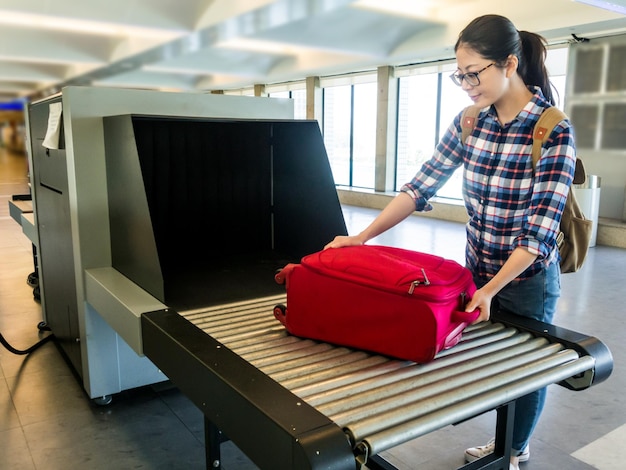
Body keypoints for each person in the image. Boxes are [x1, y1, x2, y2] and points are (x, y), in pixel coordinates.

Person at [324, 14, 577, 470]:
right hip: (476, 270)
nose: (466, 85)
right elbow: (419, 187)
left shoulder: (552, 131)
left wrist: (491, 289)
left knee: (523, 370)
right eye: (459, 75)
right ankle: (503, 440)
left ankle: (513, 451)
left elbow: (538, 233)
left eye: (473, 74)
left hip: (525, 280)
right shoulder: (469, 122)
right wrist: (360, 238)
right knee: (483, 362)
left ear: (509, 64)